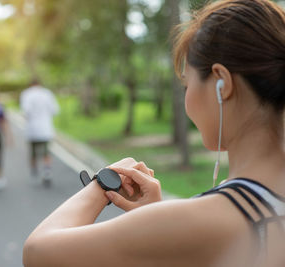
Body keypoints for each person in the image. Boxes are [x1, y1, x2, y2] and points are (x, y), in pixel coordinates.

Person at [23, 1, 285, 266]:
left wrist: (103, 182)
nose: (187, 99)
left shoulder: (208, 220)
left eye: (187, 83)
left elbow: (37, 252)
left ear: (221, 84)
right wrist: (159, 220)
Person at [20, 79, 59, 186]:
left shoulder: (26, 94)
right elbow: (55, 110)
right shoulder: (47, 93)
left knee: (33, 152)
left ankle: (34, 169)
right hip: (45, 128)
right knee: (46, 152)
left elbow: (25, 112)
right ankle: (47, 172)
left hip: (32, 129)